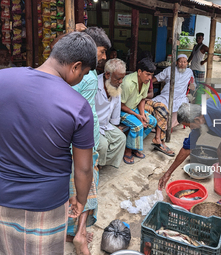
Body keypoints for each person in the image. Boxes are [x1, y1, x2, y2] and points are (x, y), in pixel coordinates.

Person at [0, 32, 96, 254]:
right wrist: (80, 200)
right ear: (76, 66)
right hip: (46, 203)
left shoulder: (3, 79)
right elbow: (83, 169)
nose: (82, 79)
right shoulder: (78, 106)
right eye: (85, 73)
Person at [67, 26, 111, 255]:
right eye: (102, 51)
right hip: (84, 139)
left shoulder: (78, 72)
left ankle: (71, 230)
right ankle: (80, 233)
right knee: (87, 185)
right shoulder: (87, 75)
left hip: (74, 138)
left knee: (72, 186)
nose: (104, 57)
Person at [120, 58, 157, 164]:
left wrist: (142, 115)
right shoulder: (127, 83)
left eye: (151, 75)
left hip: (134, 108)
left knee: (151, 121)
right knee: (137, 126)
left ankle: (135, 146)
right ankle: (128, 149)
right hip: (121, 110)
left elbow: (142, 99)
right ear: (139, 72)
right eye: (148, 74)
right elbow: (120, 105)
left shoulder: (145, 81)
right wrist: (137, 115)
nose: (150, 78)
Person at [95, 58, 127, 169]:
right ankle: (95, 165)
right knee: (103, 144)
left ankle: (101, 162)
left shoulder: (116, 87)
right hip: (92, 126)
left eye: (122, 78)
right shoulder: (94, 86)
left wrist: (116, 126)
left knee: (121, 138)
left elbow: (116, 112)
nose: (121, 82)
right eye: (118, 78)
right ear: (107, 75)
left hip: (105, 125)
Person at [152, 54, 196, 127]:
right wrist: (147, 82)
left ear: (187, 63)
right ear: (176, 62)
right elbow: (157, 78)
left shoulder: (189, 71)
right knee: (153, 103)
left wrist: (192, 86)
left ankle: (166, 127)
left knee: (181, 106)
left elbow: (193, 84)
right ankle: (156, 124)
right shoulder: (169, 69)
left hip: (180, 97)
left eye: (185, 62)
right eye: (180, 62)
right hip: (166, 95)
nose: (182, 64)